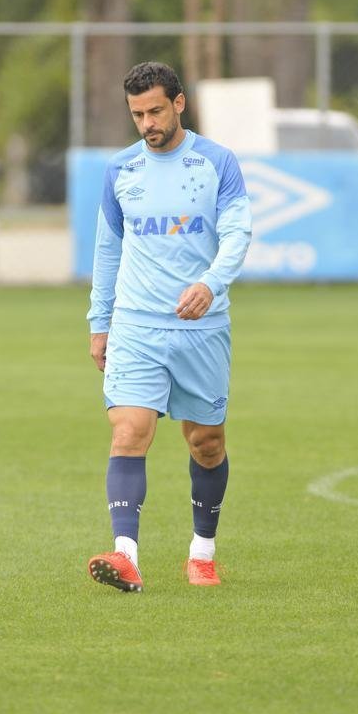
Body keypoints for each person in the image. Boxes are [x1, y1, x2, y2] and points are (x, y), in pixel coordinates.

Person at [86, 61, 252, 592]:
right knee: (129, 431)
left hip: (201, 329)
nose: (147, 122)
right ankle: (126, 555)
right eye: (137, 114)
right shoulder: (121, 171)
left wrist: (211, 283)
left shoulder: (217, 163)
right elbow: (108, 250)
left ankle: (202, 553)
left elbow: (237, 233)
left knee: (206, 442)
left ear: (179, 103)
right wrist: (100, 321)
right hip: (136, 324)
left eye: (155, 110)